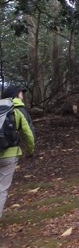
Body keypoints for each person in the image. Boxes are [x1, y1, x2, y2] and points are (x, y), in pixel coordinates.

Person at [0, 84, 35, 219]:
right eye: (21, 93)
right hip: (10, 154)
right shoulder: (17, 110)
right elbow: (28, 134)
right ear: (15, 95)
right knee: (2, 188)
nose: (23, 95)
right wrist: (30, 151)